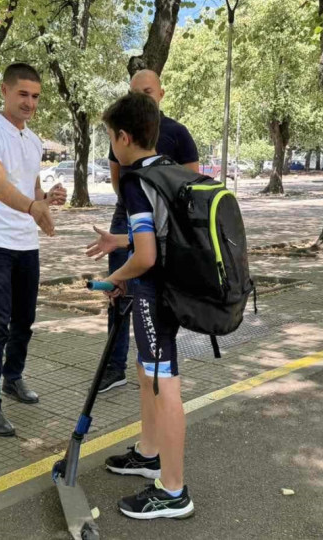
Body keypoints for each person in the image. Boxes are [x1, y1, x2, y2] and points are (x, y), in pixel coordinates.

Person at [100, 91, 194, 520]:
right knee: (148, 373)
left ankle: (173, 490)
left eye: (110, 138)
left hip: (155, 296)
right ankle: (150, 452)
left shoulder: (137, 181)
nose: (111, 147)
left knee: (164, 382)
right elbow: (158, 235)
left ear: (123, 137)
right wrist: (118, 241)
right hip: (170, 291)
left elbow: (146, 258)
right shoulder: (170, 171)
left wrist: (113, 278)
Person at [0, 63, 68, 436]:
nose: (30, 102)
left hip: (26, 243)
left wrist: (47, 198)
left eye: (36, 96)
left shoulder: (34, 140)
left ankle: (13, 377)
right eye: (23, 94)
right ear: (5, 92)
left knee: (23, 319)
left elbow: (32, 189)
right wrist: (32, 205)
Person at [84, 70, 198, 394]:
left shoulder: (178, 134)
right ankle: (116, 366)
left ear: (161, 93)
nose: (140, 98)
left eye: (146, 91)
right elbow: (118, 177)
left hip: (158, 220)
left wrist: (149, 212)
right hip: (132, 213)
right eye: (134, 92)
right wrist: (127, 231)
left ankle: (157, 362)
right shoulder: (125, 143)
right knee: (119, 292)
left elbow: (191, 187)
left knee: (158, 371)